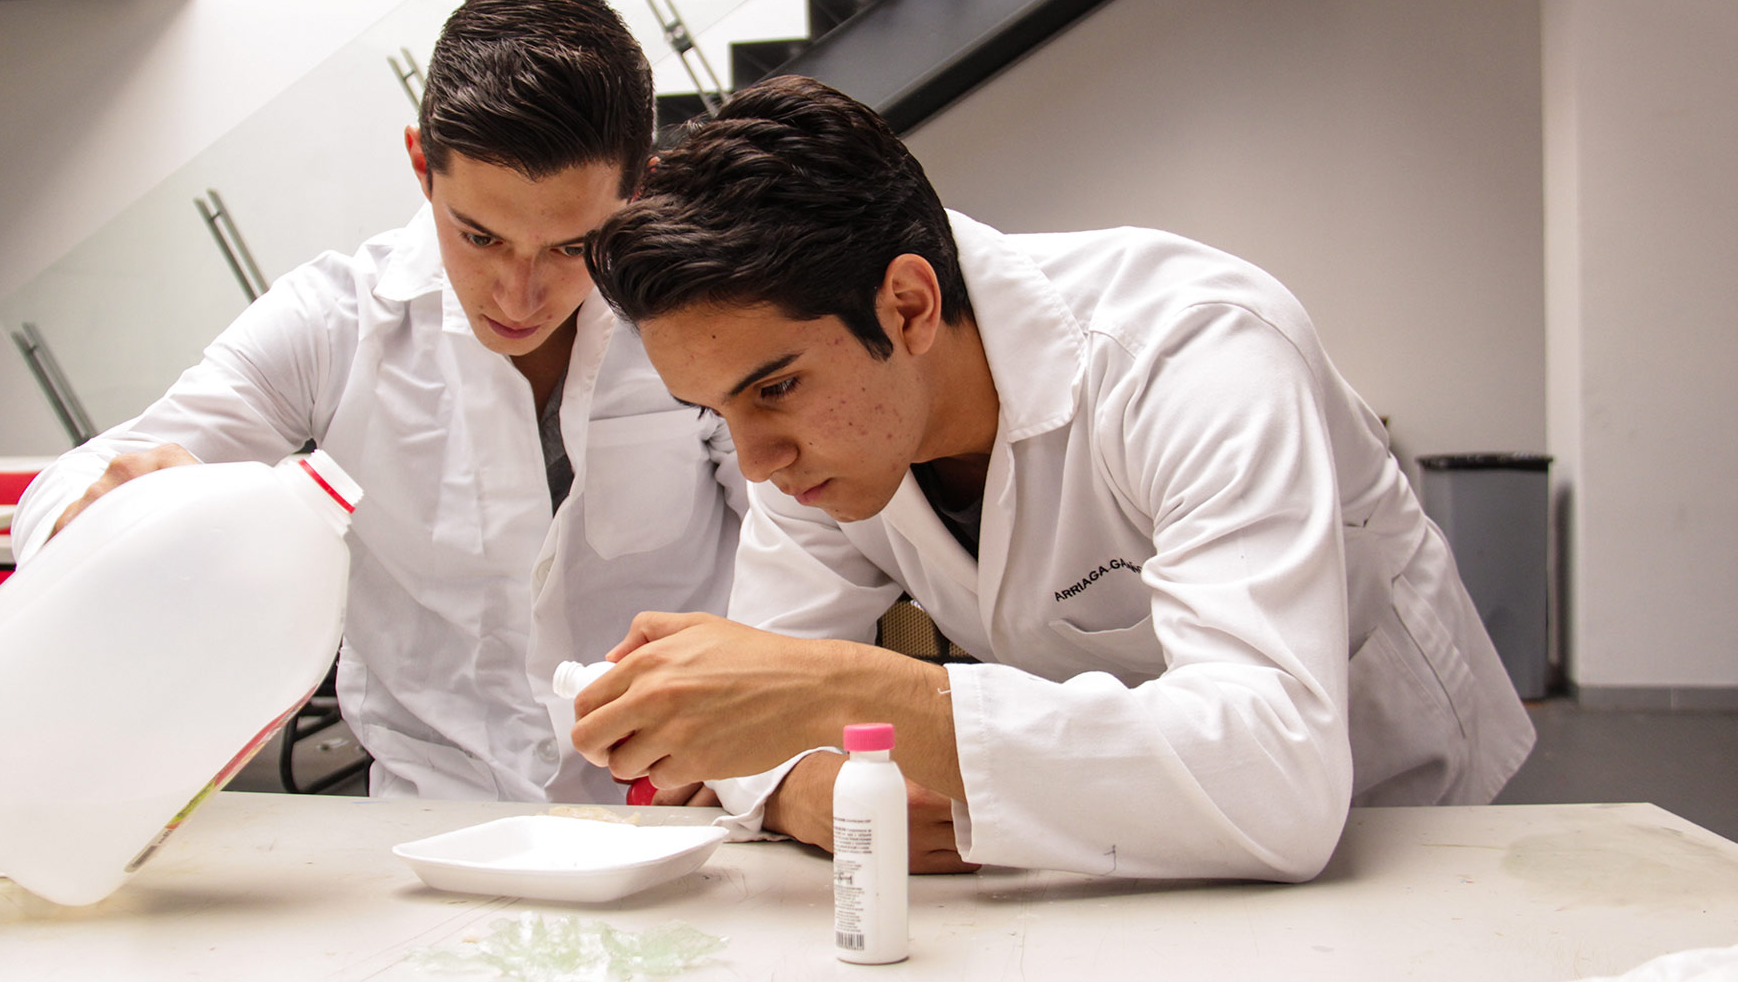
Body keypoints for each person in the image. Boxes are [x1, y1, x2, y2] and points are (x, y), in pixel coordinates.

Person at [569, 74, 1535, 880]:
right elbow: (758, 710)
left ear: (908, 306)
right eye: (719, 411)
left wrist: (850, 695)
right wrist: (807, 791)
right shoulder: (826, 447)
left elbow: (1276, 776)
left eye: (773, 388)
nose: (755, 463)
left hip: (1394, 817)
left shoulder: (1193, 351)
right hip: (1099, 841)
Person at [12, 0, 746, 802]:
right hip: (432, 833)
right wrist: (100, 511)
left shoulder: (695, 318)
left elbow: (797, 554)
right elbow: (73, 480)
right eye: (480, 236)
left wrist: (763, 766)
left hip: (679, 822)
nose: (518, 292)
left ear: (637, 190)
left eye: (569, 248)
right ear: (420, 165)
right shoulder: (333, 323)